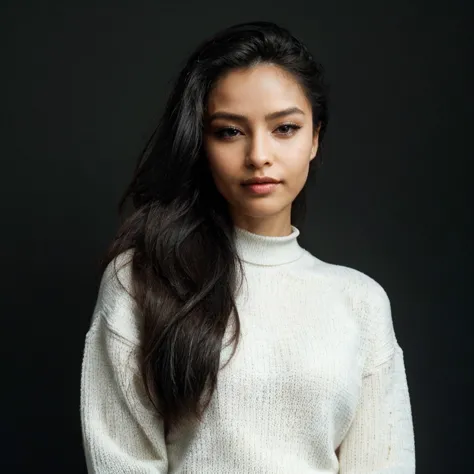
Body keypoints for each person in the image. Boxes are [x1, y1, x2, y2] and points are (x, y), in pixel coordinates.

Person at [80, 20, 416, 473]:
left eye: (284, 128)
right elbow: (120, 460)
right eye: (230, 132)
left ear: (315, 137)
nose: (259, 155)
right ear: (201, 142)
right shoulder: (142, 278)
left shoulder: (360, 302)